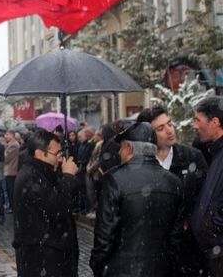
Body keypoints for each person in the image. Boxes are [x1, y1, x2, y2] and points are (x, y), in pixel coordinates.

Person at [90, 122, 184, 277]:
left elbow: (104, 234)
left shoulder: (114, 179)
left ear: (129, 149)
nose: (119, 152)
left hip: (122, 270)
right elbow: (176, 237)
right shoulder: (174, 182)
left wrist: (99, 267)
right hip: (162, 269)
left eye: (121, 148)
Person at [137, 106, 209, 276]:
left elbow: (206, 200)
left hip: (188, 251)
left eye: (169, 124)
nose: (169, 130)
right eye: (160, 128)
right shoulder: (139, 164)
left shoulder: (193, 157)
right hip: (151, 252)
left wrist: (189, 222)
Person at [12, 130, 80, 277]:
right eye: (57, 154)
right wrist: (68, 177)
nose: (60, 159)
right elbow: (58, 208)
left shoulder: (40, 172)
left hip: (49, 254)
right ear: (40, 153)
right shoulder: (32, 177)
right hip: (43, 258)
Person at [191, 96, 223, 276]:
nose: (195, 126)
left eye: (198, 120)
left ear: (215, 122)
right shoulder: (215, 152)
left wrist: (212, 227)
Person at [3, 129, 19, 214]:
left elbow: (6, 158)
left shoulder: (14, 145)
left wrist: (5, 148)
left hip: (11, 171)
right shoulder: (10, 144)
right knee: (9, 191)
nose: (6, 136)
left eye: (7, 134)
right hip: (10, 171)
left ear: (12, 135)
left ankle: (13, 208)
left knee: (11, 191)